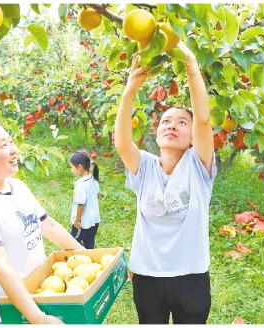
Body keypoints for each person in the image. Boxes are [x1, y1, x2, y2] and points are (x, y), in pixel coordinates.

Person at [114, 38, 217, 324]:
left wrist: (191, 65)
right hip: (147, 277)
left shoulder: (198, 165)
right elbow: (122, 143)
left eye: (182, 122)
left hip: (191, 277)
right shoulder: (145, 166)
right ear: (157, 133)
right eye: (165, 121)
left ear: (191, 135)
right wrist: (129, 92)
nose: (172, 124)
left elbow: (204, 121)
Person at [0, 122, 85, 324]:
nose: (14, 150)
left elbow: (49, 226)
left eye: (11, 142)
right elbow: (0, 266)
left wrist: (89, 257)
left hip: (34, 297)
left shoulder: (17, 187)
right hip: (2, 313)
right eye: (3, 145)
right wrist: (40, 320)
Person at [68, 151, 101, 249]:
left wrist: (77, 220)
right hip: (94, 221)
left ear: (79, 167)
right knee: (89, 245)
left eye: (72, 167)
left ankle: (74, 261)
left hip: (83, 223)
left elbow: (81, 204)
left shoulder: (81, 185)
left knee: (72, 244)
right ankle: (89, 260)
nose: (71, 170)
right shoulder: (93, 179)